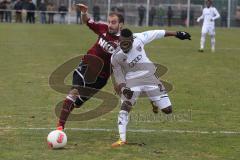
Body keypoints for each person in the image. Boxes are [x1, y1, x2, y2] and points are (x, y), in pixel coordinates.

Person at [111, 28, 191, 147]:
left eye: (128, 44)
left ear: (132, 40)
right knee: (125, 107)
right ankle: (122, 139)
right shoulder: (115, 57)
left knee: (168, 110)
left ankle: (153, 100)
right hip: (132, 81)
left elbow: (158, 33)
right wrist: (123, 89)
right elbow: (118, 76)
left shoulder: (139, 38)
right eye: (123, 44)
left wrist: (177, 34)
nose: (125, 47)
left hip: (149, 77)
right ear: (119, 40)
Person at [56, 4, 124, 130]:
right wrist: (84, 12)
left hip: (101, 78)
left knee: (77, 104)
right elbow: (87, 21)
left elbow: (117, 65)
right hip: (86, 65)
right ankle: (60, 126)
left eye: (113, 22)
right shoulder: (103, 28)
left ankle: (66, 114)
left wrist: (117, 82)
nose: (110, 25)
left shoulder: (122, 43)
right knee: (74, 92)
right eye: (109, 22)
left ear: (121, 25)